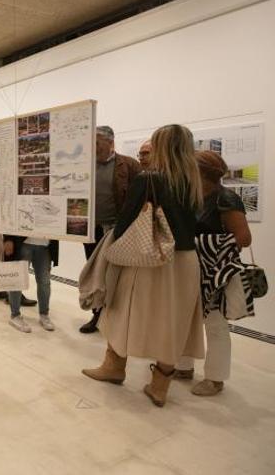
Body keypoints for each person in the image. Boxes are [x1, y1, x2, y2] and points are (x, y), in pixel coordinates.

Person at [82, 124, 205, 408]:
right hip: (185, 261)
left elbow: (126, 219)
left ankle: (113, 367)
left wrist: (110, 249)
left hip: (151, 260)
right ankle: (160, 386)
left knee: (120, 310)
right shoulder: (193, 180)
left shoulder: (149, 178)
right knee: (172, 322)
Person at [174, 151, 252, 396]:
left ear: (200, 171)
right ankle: (184, 366)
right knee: (185, 319)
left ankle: (215, 378)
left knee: (215, 324)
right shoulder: (191, 197)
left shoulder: (226, 199)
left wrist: (206, 246)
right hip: (190, 268)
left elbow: (243, 238)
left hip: (216, 273)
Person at [79, 126, 142, 333]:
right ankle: (97, 316)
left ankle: (119, 319)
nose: (93, 147)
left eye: (96, 142)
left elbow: (140, 199)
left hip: (117, 231)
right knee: (95, 274)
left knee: (117, 276)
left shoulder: (130, 165)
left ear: (110, 142)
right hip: (92, 230)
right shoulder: (84, 165)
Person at [2, 236, 58, 332]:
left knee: (44, 282)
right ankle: (15, 315)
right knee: (17, 280)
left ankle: (44, 314)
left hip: (45, 245)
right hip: (24, 242)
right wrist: (8, 239)